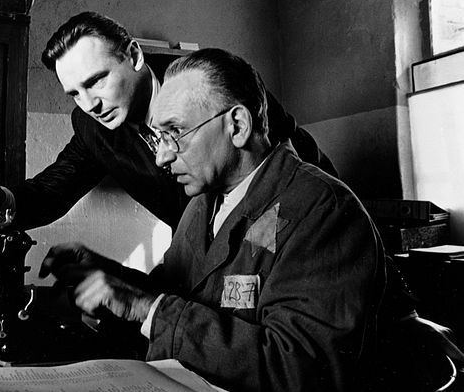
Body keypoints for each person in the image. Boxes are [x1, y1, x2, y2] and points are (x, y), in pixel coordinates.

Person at [38, 48, 385, 392]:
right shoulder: (203, 204)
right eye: (159, 137)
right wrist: (112, 280)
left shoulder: (323, 210)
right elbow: (175, 294)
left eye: (175, 132)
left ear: (237, 125)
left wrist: (145, 308)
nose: (161, 157)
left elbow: (302, 371)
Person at [0, 11, 336, 231]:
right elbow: (51, 192)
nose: (89, 104)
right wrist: (0, 201)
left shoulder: (209, 81)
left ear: (133, 55)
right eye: (74, 93)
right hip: (200, 263)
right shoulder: (94, 128)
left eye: (96, 81)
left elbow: (298, 158)